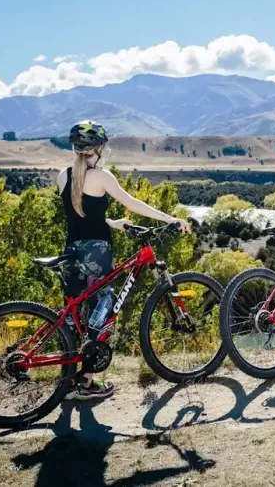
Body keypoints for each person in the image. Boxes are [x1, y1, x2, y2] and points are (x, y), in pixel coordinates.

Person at [58, 121, 190, 400]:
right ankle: (87, 383)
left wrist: (112, 222)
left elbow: (79, 215)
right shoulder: (102, 177)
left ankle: (69, 381)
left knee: (72, 315)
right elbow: (134, 203)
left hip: (71, 250)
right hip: (96, 251)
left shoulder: (63, 175)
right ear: (98, 147)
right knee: (101, 312)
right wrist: (170, 218)